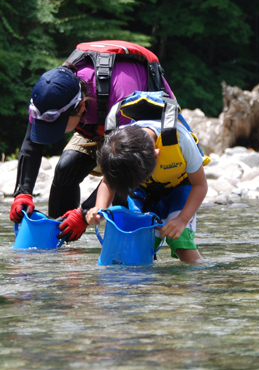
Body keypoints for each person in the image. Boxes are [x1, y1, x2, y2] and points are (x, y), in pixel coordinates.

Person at [10, 41, 174, 243]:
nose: (54, 132)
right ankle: (62, 246)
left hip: (139, 131)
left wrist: (84, 212)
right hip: (98, 124)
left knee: (125, 191)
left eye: (58, 126)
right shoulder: (51, 92)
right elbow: (31, 144)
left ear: (79, 107)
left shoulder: (122, 93)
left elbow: (124, 171)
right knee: (65, 168)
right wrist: (22, 193)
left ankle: (124, 251)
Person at [85, 119, 208, 264]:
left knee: (181, 242)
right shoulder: (117, 146)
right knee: (140, 242)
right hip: (143, 192)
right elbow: (107, 181)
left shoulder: (181, 140)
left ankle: (198, 279)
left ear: (156, 154)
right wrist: (100, 207)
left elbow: (200, 185)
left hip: (180, 188)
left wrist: (182, 220)